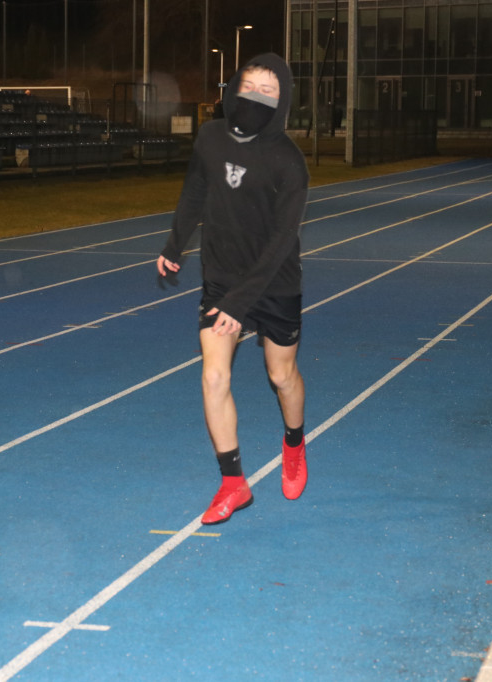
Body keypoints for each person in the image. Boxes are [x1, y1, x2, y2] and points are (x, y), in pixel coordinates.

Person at [156, 53, 309, 525]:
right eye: (251, 87)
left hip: (274, 282)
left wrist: (244, 303)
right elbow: (195, 191)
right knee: (214, 376)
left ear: (282, 102)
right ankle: (233, 482)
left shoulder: (289, 161)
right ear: (232, 88)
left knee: (282, 377)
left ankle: (294, 441)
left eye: (270, 91)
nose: (257, 97)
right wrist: (175, 244)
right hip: (222, 277)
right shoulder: (208, 137)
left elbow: (283, 242)